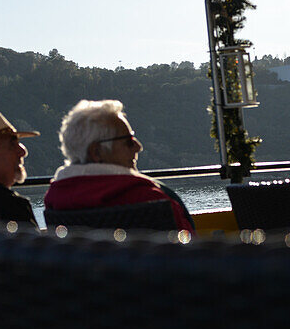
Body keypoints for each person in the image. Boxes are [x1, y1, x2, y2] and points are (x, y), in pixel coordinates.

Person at [44, 99, 194, 231]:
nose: (138, 147)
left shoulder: (55, 200)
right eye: (128, 141)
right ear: (97, 152)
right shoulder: (152, 199)